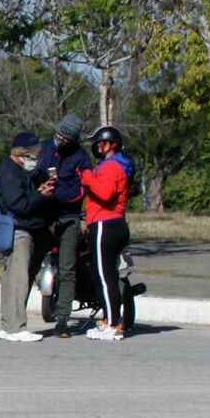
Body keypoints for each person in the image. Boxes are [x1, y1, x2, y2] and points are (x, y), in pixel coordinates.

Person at [0, 131, 57, 343]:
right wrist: (41, 195)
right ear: (22, 155)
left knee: (11, 279)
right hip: (19, 232)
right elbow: (19, 205)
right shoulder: (10, 173)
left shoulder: (16, 171)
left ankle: (7, 325)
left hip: (20, 229)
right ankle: (17, 327)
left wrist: (39, 187)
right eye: (33, 157)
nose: (35, 161)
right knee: (19, 280)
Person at [37, 114, 94, 337]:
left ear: (72, 139)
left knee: (67, 268)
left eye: (64, 137)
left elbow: (83, 188)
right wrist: (41, 188)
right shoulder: (44, 148)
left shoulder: (81, 157)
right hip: (44, 215)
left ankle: (62, 319)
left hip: (68, 217)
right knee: (32, 262)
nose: (58, 139)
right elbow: (30, 172)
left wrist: (57, 194)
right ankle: (18, 317)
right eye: (58, 134)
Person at [79, 126, 133, 341]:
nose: (95, 147)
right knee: (102, 275)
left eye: (98, 143)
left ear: (109, 145)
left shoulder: (111, 166)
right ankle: (107, 320)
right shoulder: (110, 165)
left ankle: (113, 323)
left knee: (105, 277)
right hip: (107, 223)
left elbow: (105, 193)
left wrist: (87, 176)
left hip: (106, 224)